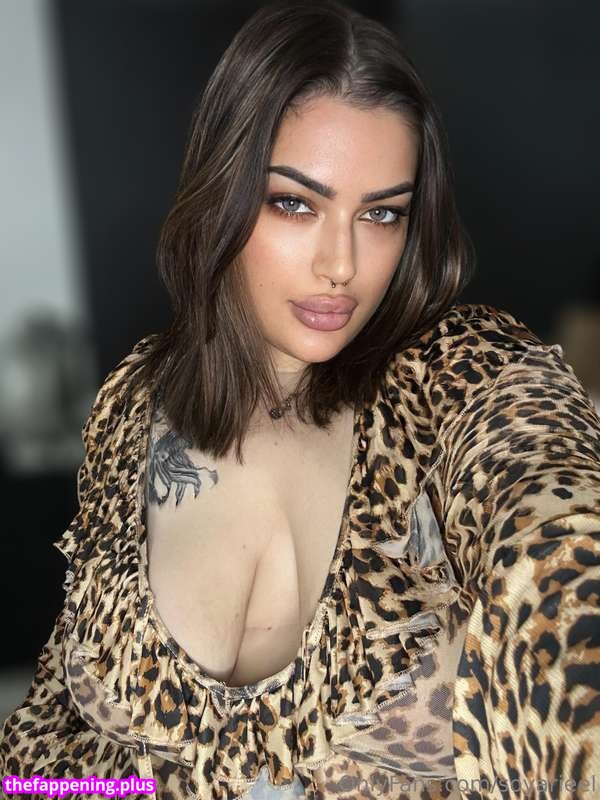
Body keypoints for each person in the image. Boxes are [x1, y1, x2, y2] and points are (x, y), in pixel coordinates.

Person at [1, 1, 599, 798]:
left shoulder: (466, 380)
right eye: (295, 203)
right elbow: (61, 746)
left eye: (381, 214)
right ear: (223, 190)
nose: (340, 264)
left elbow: (561, 545)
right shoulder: (135, 403)